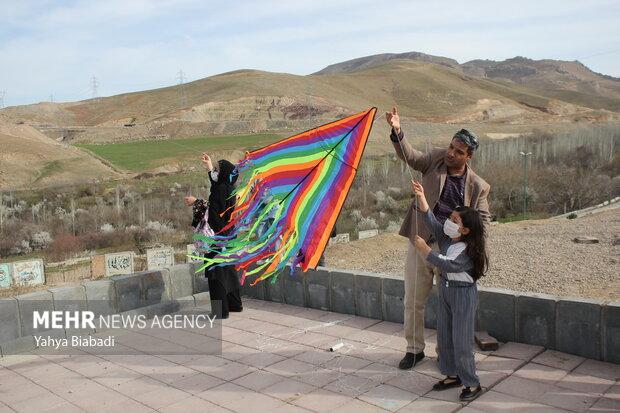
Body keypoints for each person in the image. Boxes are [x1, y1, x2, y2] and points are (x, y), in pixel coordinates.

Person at [385, 107, 490, 369]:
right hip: (421, 241)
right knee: (413, 299)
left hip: (451, 252)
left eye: (458, 151)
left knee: (449, 307)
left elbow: (484, 223)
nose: (451, 153)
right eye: (451, 147)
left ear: (469, 156)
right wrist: (397, 130)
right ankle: (414, 349)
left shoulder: (478, 186)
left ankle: (447, 352)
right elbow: (409, 155)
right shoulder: (434, 159)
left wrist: (470, 250)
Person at [411, 180, 487, 401]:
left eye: (454, 220)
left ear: (464, 229)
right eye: (451, 218)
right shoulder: (448, 238)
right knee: (444, 336)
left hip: (462, 295)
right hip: (445, 291)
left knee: (462, 341)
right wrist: (422, 196)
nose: (449, 222)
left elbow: (449, 265)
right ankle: (453, 374)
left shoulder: (466, 251)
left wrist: (426, 251)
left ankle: (472, 383)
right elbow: (432, 221)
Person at [185, 153, 242, 319]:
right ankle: (234, 304)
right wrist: (209, 166)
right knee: (229, 271)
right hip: (229, 238)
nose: (214, 172)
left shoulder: (220, 191)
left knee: (215, 273)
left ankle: (220, 311)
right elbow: (216, 184)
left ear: (223, 174)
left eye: (217, 169)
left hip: (217, 239)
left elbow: (214, 216)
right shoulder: (229, 188)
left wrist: (196, 202)